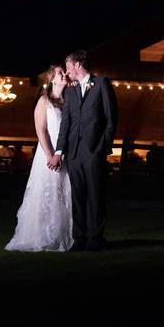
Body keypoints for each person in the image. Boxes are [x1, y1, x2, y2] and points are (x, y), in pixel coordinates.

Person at [48, 50, 118, 252]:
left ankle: (95, 238)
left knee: (96, 196)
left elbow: (111, 120)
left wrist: (102, 147)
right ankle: (78, 239)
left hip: (94, 151)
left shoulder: (102, 83)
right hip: (73, 154)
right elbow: (66, 124)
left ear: (78, 65)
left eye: (68, 66)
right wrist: (60, 151)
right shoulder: (70, 91)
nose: (67, 71)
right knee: (77, 197)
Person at [5, 65, 74, 252]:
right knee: (47, 191)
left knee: (64, 193)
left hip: (65, 153)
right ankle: (42, 235)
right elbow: (41, 131)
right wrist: (50, 155)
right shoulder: (44, 101)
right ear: (52, 79)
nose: (64, 74)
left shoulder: (69, 100)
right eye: (60, 73)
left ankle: (63, 234)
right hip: (48, 153)